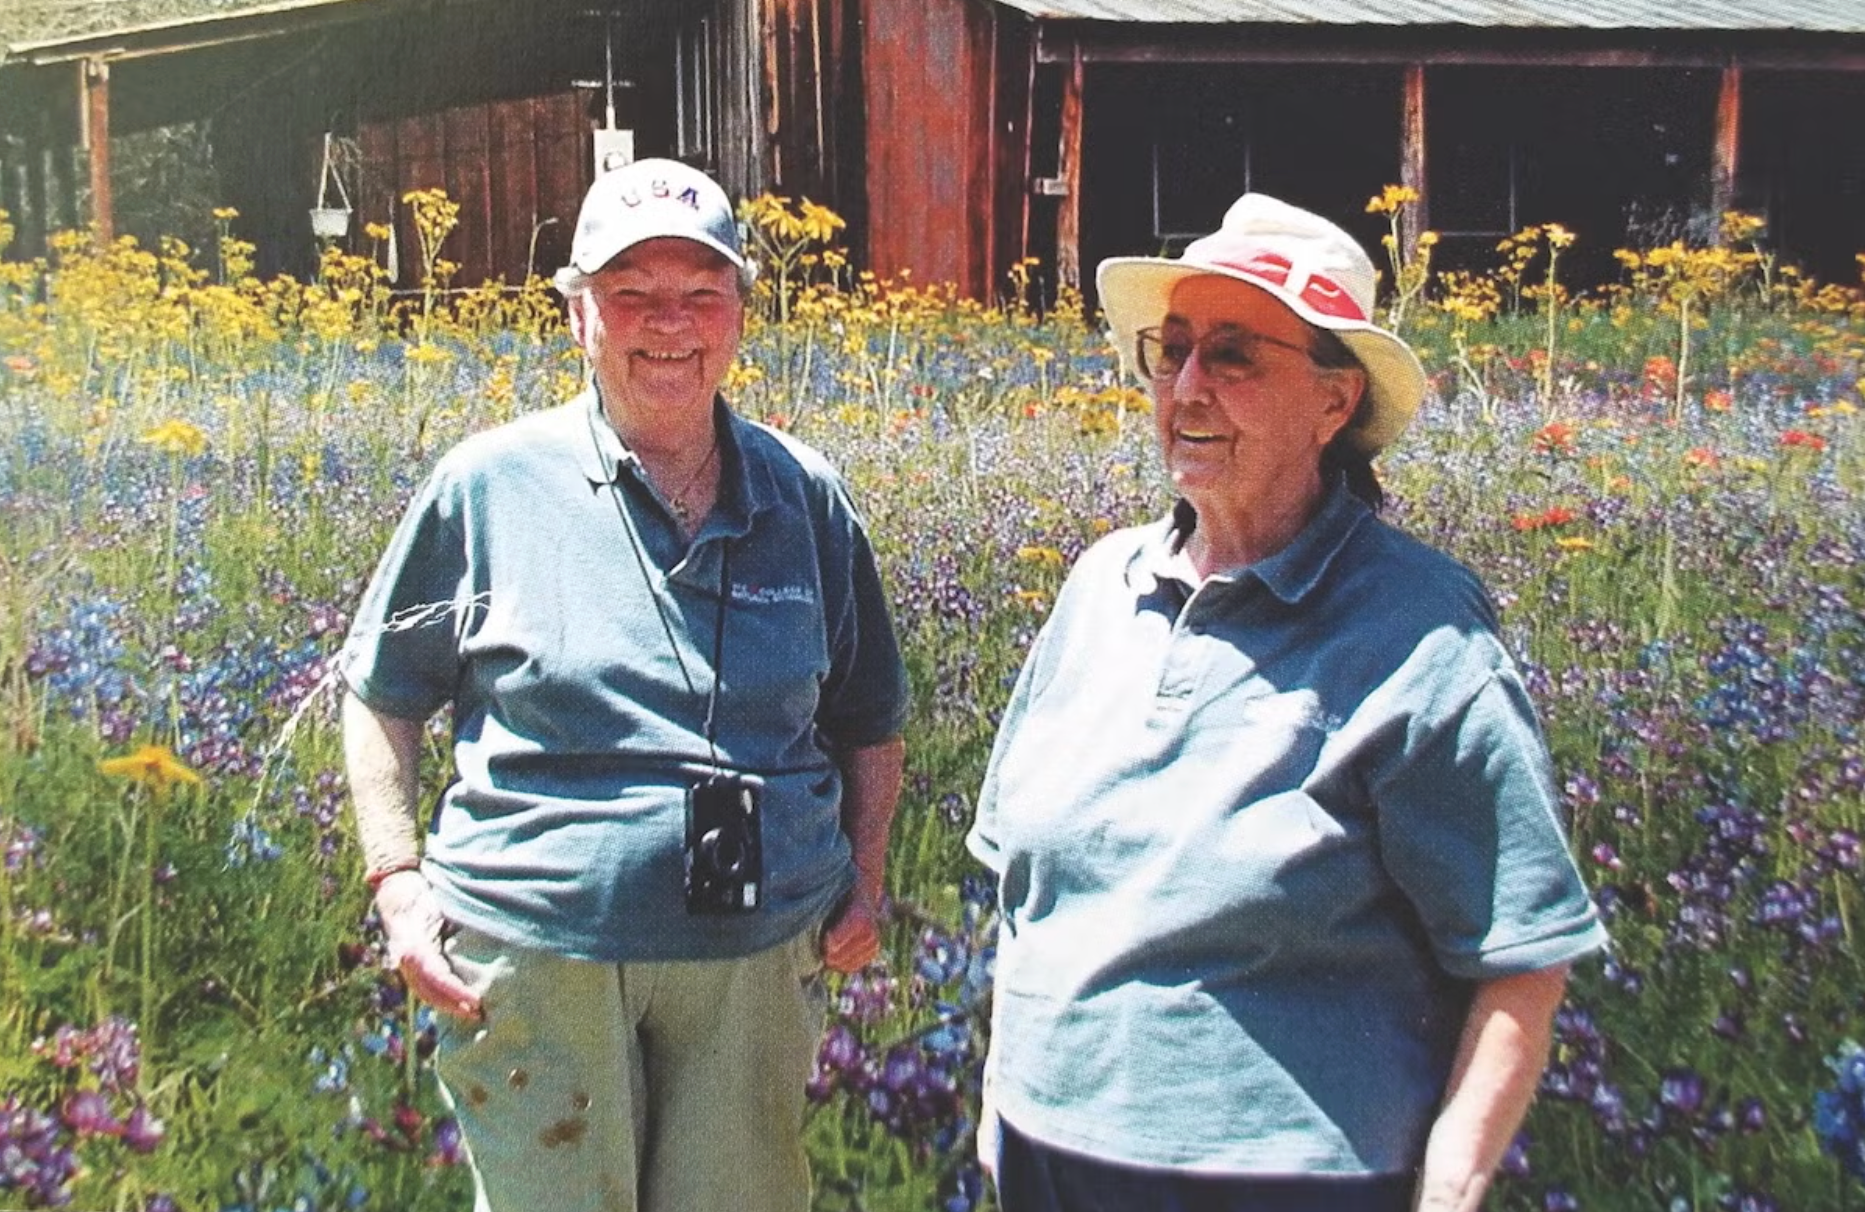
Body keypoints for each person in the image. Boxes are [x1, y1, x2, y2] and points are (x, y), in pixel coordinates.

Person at [967, 193, 1608, 1212]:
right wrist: (1001, 1100)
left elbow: (1522, 951)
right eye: (1169, 349)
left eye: (1233, 355)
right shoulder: (1099, 587)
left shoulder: (1420, 633)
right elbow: (1019, 888)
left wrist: (1452, 1182)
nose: (1185, 388)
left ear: (1334, 402)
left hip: (1280, 1175)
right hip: (1050, 1151)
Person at [338, 157, 908, 1212]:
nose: (670, 325)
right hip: (537, 947)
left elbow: (871, 721)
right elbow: (381, 693)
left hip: (754, 959)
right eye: (632, 294)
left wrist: (865, 885)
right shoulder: (487, 485)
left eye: (702, 294)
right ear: (576, 315)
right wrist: (398, 884)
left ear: (742, 310)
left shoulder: (806, 494)